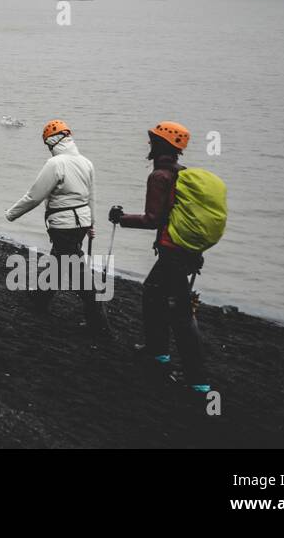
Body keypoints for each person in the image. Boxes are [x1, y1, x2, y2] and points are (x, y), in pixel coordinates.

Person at [109, 121, 214, 396]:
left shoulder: (160, 176)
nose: (149, 144)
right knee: (152, 294)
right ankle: (157, 352)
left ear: (162, 145)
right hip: (185, 252)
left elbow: (152, 219)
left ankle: (198, 380)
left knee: (180, 314)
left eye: (153, 140)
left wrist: (121, 219)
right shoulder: (182, 173)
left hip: (173, 254)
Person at [5, 120, 108, 333]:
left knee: (75, 270)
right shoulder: (86, 163)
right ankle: (40, 298)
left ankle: (98, 319)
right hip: (80, 224)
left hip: (63, 226)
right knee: (59, 261)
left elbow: (34, 196)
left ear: (51, 142)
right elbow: (92, 197)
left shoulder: (55, 164)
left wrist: (11, 214)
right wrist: (91, 225)